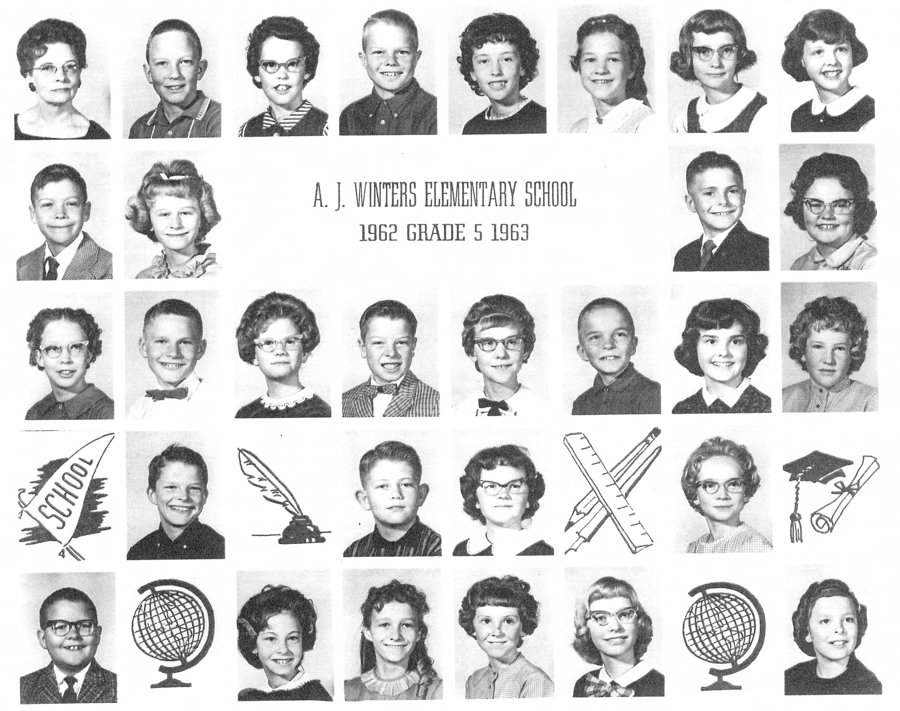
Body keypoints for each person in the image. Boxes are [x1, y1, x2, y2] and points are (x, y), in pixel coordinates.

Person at [669, 9, 768, 133]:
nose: (716, 63)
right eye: (704, 51)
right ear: (688, 57)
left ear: (739, 55)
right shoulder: (684, 117)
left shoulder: (763, 113)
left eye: (726, 50)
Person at [340, 9, 436, 135]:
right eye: (379, 52)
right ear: (364, 60)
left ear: (416, 58)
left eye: (402, 52)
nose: (391, 61)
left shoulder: (435, 114)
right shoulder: (350, 116)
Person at [235, 292, 330, 417]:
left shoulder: (321, 412)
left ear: (304, 352)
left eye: (290, 342)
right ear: (254, 356)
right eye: (268, 343)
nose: (280, 351)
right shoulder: (246, 414)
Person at [458, 575, 554, 698]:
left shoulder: (535, 682)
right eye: (486, 621)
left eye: (508, 621)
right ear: (472, 626)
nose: (497, 632)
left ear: (523, 628)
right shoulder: (474, 681)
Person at [345, 580, 442, 700]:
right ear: (368, 632)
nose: (396, 636)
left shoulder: (437, 690)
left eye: (406, 625)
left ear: (418, 634)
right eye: (385, 624)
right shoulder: (348, 691)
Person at [15, 19, 110, 140]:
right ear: (29, 76)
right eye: (47, 68)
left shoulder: (98, 136)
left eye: (69, 67)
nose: (61, 77)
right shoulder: (6, 129)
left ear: (79, 72)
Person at [125, 158, 221, 279]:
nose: (176, 224)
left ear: (201, 218)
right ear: (149, 221)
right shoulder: (143, 277)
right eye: (164, 214)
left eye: (185, 213)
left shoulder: (217, 276)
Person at [342, 300, 439, 417]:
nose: (391, 353)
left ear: (413, 346)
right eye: (378, 343)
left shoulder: (437, 403)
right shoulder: (343, 402)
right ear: (363, 348)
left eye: (401, 342)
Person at [674, 151, 769, 271]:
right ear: (691, 203)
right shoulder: (684, 256)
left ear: (743, 196)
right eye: (710, 193)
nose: (723, 201)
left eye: (732, 191)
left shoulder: (763, 251)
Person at [673, 298, 771, 414]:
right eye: (711, 341)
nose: (724, 352)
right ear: (694, 347)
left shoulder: (768, 408)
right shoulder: (681, 410)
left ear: (750, 347)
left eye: (735, 342)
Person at [127, 443, 224, 560]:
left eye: (194, 488)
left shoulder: (220, 549)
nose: (183, 497)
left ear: (204, 496)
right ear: (153, 495)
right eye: (171, 487)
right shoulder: (138, 552)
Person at [344, 441, 441, 557]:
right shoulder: (354, 552)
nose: (396, 494)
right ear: (365, 499)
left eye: (406, 484)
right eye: (383, 486)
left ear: (421, 495)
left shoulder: (438, 548)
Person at [20, 587, 116, 704]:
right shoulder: (23, 689)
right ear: (43, 638)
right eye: (60, 626)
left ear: (97, 635)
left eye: (84, 625)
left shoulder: (118, 687)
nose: (74, 635)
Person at [782, 10, 873, 132]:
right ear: (802, 60)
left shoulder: (871, 115)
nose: (832, 61)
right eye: (818, 52)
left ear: (852, 53)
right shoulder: (800, 116)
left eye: (841, 49)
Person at [785, 579, 881, 694]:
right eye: (825, 621)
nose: (840, 629)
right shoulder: (791, 678)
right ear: (807, 632)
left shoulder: (869, 686)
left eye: (848, 619)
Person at [571, 577, 664, 696]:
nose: (615, 627)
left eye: (624, 615)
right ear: (586, 628)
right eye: (601, 618)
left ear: (639, 622)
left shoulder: (661, 686)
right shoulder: (583, 685)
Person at [18, 164, 112, 281]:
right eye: (48, 204)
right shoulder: (21, 266)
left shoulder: (110, 267)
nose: (60, 214)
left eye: (71, 203)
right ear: (33, 214)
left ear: (86, 211)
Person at [237, 585, 331, 701]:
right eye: (271, 639)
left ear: (303, 641)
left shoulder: (314, 696)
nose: (283, 649)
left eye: (292, 638)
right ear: (253, 645)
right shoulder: (249, 697)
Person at [783, 296, 877, 412]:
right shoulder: (783, 398)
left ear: (852, 352)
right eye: (818, 346)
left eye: (839, 348)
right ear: (803, 350)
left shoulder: (871, 400)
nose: (828, 360)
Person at [129, 19, 221, 138]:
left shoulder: (219, 120)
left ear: (200, 69)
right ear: (149, 73)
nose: (175, 74)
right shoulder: (140, 129)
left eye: (185, 62)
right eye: (162, 63)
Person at [455, 294, 544, 416]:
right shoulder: (458, 413)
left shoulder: (545, 412)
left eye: (512, 342)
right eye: (488, 343)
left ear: (525, 350)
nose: (501, 354)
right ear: (472, 352)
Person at [784, 153, 876, 270]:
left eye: (840, 205)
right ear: (800, 208)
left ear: (858, 209)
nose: (827, 215)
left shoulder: (871, 263)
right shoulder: (799, 265)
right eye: (816, 204)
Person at [455, 445, 551, 556]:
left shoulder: (543, 552)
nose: (503, 495)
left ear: (529, 498)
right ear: (476, 499)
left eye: (515, 486)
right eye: (491, 486)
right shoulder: (461, 550)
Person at [680, 437, 772, 553]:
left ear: (746, 491)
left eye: (733, 484)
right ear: (695, 495)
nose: (723, 495)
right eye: (710, 485)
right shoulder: (693, 548)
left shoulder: (757, 547)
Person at [239, 16, 328, 137]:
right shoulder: (247, 131)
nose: (282, 75)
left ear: (307, 70)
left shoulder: (327, 129)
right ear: (257, 73)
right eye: (270, 65)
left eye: (292, 64)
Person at [458, 13, 546, 134]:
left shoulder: (543, 121)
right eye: (484, 61)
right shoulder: (472, 128)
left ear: (523, 66)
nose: (496, 71)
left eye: (506, 59)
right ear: (472, 71)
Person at [568, 15, 656, 133]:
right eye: (591, 59)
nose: (601, 69)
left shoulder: (648, 124)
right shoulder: (577, 129)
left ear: (631, 67)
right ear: (579, 65)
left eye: (613, 59)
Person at [572, 297, 660, 415]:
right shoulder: (581, 404)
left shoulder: (653, 395)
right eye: (595, 337)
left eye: (619, 335)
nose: (608, 345)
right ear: (583, 352)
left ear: (633, 345)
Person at [127, 298, 211, 419]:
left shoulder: (217, 406)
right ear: (144, 347)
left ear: (200, 349)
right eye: (161, 341)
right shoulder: (138, 409)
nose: (173, 353)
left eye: (184, 342)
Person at [25, 307, 113, 420]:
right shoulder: (35, 414)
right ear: (39, 358)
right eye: (53, 348)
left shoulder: (107, 413)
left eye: (76, 347)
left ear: (89, 354)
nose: (65, 359)